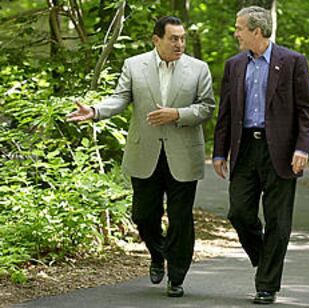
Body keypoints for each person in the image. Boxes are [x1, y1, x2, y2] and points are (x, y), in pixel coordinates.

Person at [67, 16, 215, 298]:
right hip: (145, 152)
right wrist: (96, 111)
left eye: (182, 38)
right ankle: (158, 255)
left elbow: (207, 107)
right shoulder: (134, 65)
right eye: (173, 38)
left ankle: (177, 277)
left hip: (184, 153)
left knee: (180, 218)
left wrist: (178, 115)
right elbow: (120, 98)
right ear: (156, 40)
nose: (180, 44)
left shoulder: (199, 69)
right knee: (144, 216)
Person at [213, 6, 309, 305]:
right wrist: (220, 152)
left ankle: (267, 285)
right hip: (244, 148)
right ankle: (264, 256)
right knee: (239, 213)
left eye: (239, 28)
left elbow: (308, 111)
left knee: (278, 221)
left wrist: (302, 148)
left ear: (256, 31)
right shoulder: (234, 65)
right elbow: (226, 113)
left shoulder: (293, 61)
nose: (236, 33)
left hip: (282, 152)